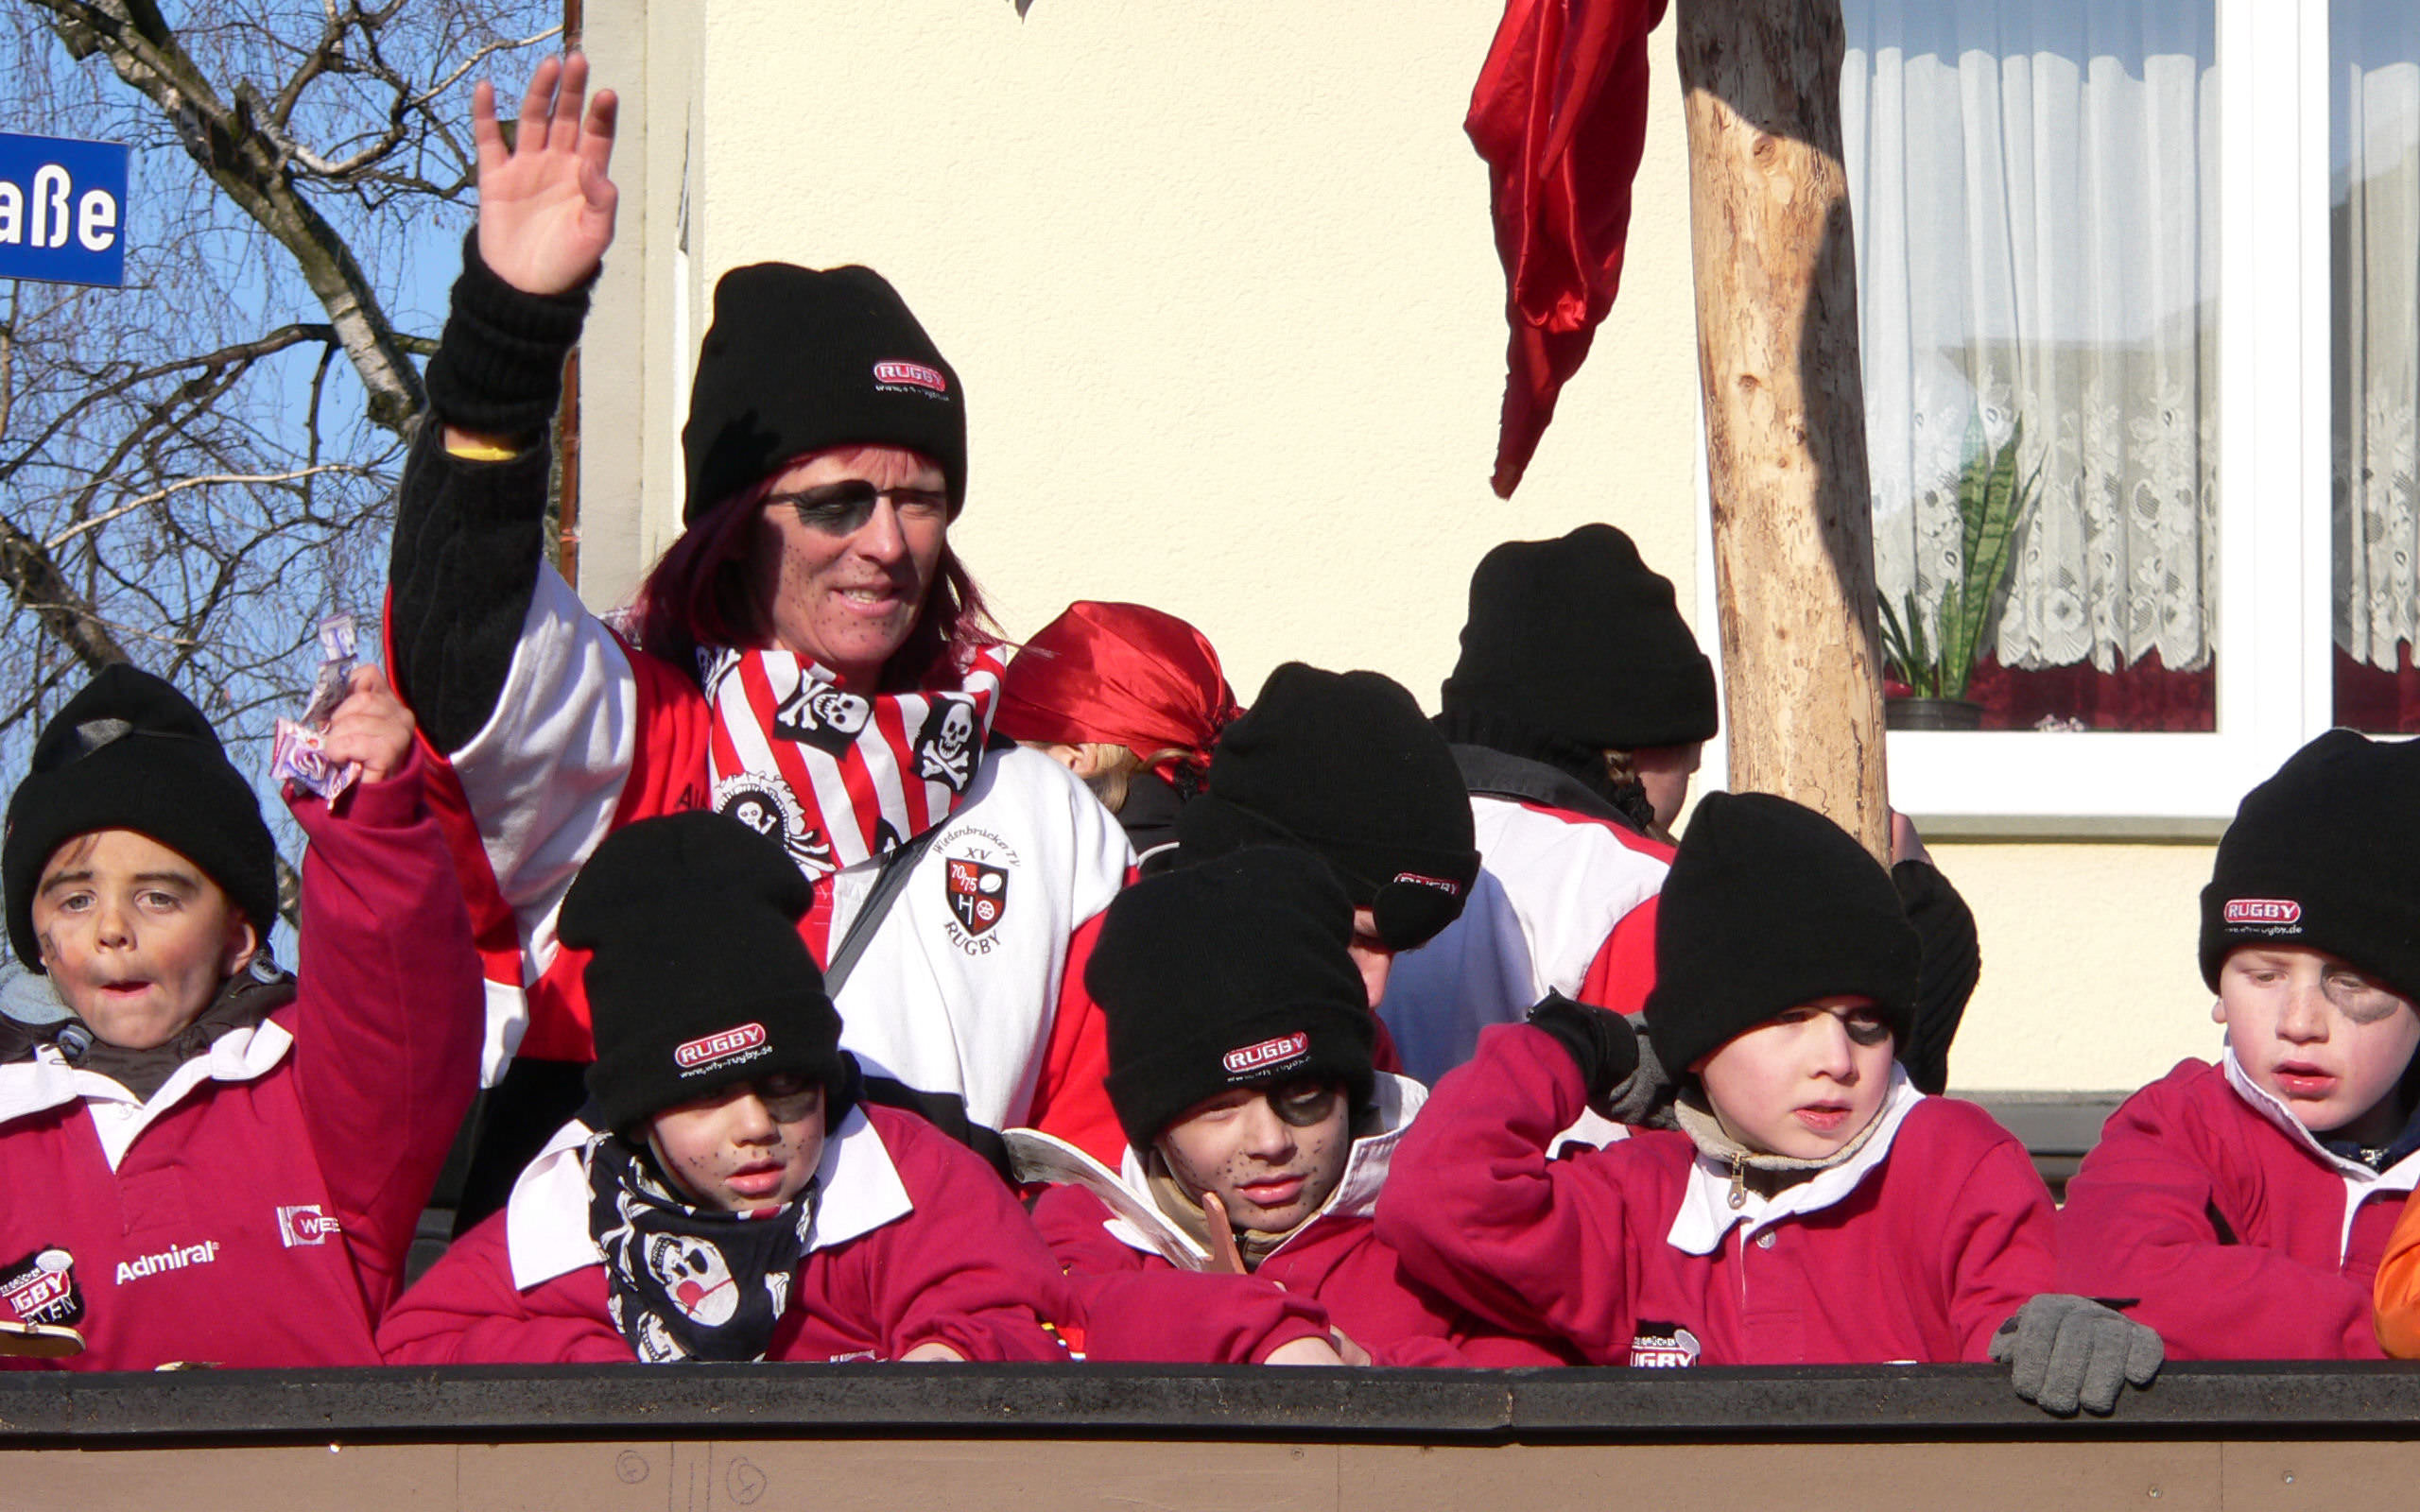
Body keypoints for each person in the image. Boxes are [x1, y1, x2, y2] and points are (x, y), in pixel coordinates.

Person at [385, 56, 1131, 1224]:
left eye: (922, 499)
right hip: (628, 1326)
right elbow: (462, 645)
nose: (886, 543)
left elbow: (1094, 1175)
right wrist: (505, 341)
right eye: (836, 502)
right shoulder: (635, 737)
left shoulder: (1046, 819)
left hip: (927, 1325)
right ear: (734, 530)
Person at [1377, 793, 2160, 1415]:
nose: (1836, 1062)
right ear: (1695, 1041)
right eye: (1789, 1020)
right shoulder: (1639, 1202)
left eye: (1867, 1024)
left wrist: (2051, 1334)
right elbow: (1439, 1198)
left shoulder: (1952, 1165)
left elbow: (2010, 1339)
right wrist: (1575, 1048)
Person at [379, 813, 1073, 1365]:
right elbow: (416, 1352)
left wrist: (949, 1362)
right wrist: (589, 1374)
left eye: (786, 1085)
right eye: (708, 1097)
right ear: (639, 1114)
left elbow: (1012, 1314)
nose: (755, 1126)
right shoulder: (561, 1221)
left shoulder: (912, 1182)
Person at [1379, 524, 1981, 1096]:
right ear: (1635, 750)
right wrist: (1924, 930)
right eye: (1689, 766)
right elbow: (1803, 1126)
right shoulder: (1638, 889)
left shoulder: (1380, 846)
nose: (1682, 801)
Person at [0, 663, 480, 1369]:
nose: (112, 930)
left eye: (158, 897)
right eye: (76, 901)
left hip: (323, 1444)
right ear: (39, 942)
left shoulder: (311, 1089)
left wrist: (373, 822)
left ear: (236, 936)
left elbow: (400, 997)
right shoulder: (14, 1124)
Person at [1010, 848, 1565, 1367]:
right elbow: (1078, 1319)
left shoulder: (1442, 1242)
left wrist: (1366, 1372)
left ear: (1351, 1090)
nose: (1271, 1142)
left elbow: (1530, 1388)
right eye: (1221, 1108)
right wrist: (1258, 1330)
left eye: (1304, 1097)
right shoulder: (1088, 1234)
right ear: (1155, 1125)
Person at [2064, 730, 2420, 1360]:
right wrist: (2385, 1339)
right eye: (2263, 976)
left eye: (2352, 983)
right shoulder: (2178, 1128)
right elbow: (2122, 1279)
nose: (2300, 1022)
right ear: (2220, 994)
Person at [994, 600, 1241, 867]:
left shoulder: (1070, 869)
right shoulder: (1239, 848)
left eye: (1003, 747)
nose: (990, 769)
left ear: (1074, 758)